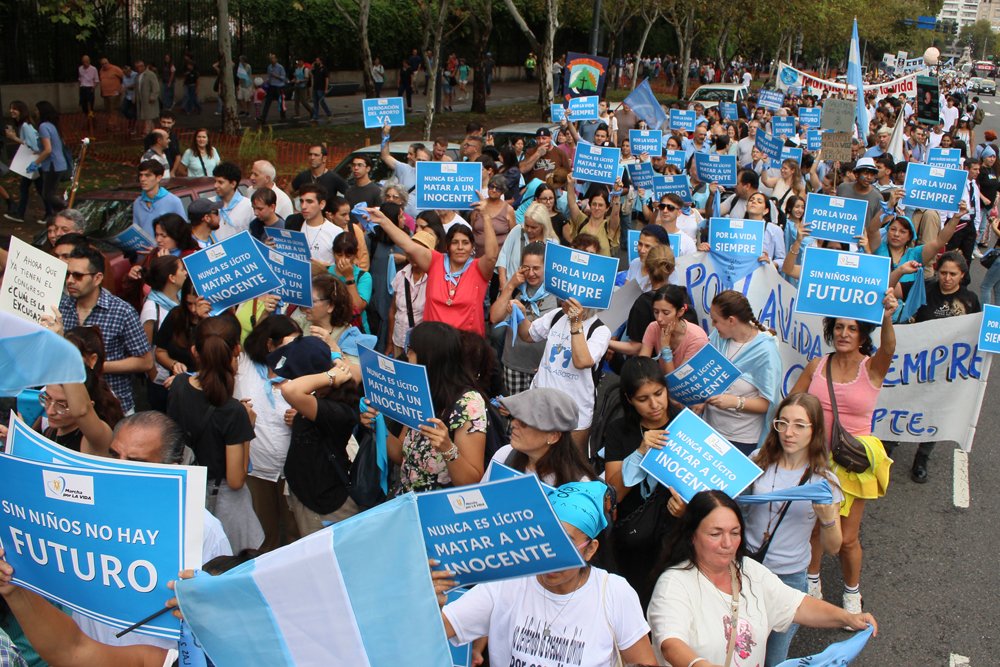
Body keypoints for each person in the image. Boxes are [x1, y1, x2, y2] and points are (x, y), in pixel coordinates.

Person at [435, 481, 657, 666]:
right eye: (546, 539)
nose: (552, 555)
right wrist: (431, 604)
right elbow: (437, 630)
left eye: (566, 544)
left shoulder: (614, 593)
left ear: (590, 549)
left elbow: (644, 663)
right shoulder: (509, 582)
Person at [647, 490, 877, 667]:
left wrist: (848, 617)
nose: (727, 544)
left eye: (734, 533)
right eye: (715, 534)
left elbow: (797, 606)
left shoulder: (750, 571)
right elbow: (670, 644)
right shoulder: (674, 584)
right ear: (692, 536)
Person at [790, 292, 898, 616]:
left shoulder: (872, 369)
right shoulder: (817, 365)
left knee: (847, 538)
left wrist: (889, 316)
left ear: (863, 334)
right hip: (816, 459)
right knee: (814, 528)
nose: (844, 334)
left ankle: (852, 591)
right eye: (838, 328)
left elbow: (889, 348)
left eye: (851, 329)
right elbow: (793, 401)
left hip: (852, 463)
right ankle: (812, 580)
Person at [742, 393, 845, 666]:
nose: (789, 433)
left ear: (815, 431)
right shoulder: (758, 460)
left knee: (774, 657)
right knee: (741, 647)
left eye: (800, 425)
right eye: (782, 423)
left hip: (788, 577)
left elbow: (834, 547)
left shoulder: (825, 482)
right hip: (747, 570)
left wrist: (827, 519)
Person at [168, 315, 263, 552]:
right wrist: (247, 428)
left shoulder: (178, 385)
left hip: (183, 493)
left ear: (194, 351)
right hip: (220, 499)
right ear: (237, 352)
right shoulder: (233, 412)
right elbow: (236, 479)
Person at [360, 321, 487, 494]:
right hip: (409, 502)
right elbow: (402, 456)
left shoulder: (468, 404)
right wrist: (378, 426)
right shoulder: (420, 391)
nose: (407, 356)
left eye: (411, 351)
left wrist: (447, 448)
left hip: (442, 510)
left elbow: (472, 482)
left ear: (430, 358)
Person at [901, 252, 980, 482]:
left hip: (946, 371)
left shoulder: (970, 300)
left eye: (952, 274)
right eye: (943, 273)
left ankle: (922, 457)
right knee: (904, 405)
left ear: (962, 275)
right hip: (916, 365)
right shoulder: (924, 289)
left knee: (934, 413)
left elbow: (975, 334)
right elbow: (894, 293)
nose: (946, 278)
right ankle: (889, 445)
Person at [368, 201, 498, 336]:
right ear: (447, 246)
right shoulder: (436, 261)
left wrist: (486, 217)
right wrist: (383, 221)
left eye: (465, 243)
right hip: (433, 344)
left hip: (466, 346)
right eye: (454, 242)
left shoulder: (478, 268)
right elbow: (408, 245)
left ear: (472, 248)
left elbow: (491, 256)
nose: (460, 247)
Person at [605, 358, 676, 601]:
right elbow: (612, 494)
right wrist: (639, 454)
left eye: (659, 393)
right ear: (629, 399)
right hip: (633, 538)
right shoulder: (618, 431)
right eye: (643, 399)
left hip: (676, 537)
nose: (655, 405)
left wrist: (687, 506)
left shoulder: (685, 423)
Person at [58, 245, 153, 415]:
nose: (70, 280)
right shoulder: (61, 307)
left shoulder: (122, 311)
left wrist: (98, 366)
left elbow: (145, 361)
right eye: (67, 274)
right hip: (69, 404)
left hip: (113, 406)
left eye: (78, 275)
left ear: (97, 278)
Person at [236, 315, 302, 551]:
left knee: (296, 533)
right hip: (257, 468)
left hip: (292, 470)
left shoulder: (302, 370)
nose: (296, 349)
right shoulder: (243, 365)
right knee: (264, 537)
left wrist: (301, 416)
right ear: (270, 344)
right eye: (289, 343)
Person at [516, 294, 611, 454]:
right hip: (540, 403)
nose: (564, 302)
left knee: (569, 462)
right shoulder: (557, 314)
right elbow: (528, 334)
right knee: (532, 455)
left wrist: (575, 323)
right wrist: (520, 315)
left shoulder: (600, 331)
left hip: (574, 412)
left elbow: (582, 361)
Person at [700, 290, 782, 455]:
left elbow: (768, 403)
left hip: (741, 439)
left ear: (731, 320)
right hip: (709, 427)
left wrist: (734, 402)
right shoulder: (718, 336)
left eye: (715, 321)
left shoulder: (766, 351)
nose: (713, 326)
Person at [490, 242, 559, 393]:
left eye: (536, 268)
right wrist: (510, 285)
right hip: (514, 364)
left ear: (546, 267)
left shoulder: (557, 293)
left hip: (542, 367)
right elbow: (495, 317)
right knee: (514, 414)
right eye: (527, 268)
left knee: (539, 414)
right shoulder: (516, 289)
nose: (531, 273)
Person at [139, 254, 187, 410]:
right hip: (163, 383)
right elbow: (145, 349)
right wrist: (156, 377)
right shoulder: (152, 309)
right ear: (172, 278)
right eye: (182, 269)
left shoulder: (183, 300)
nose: (186, 273)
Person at [386, 229, 436, 357]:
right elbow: (393, 310)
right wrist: (390, 343)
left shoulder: (435, 279)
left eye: (418, 252)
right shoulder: (400, 275)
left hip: (421, 346)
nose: (414, 255)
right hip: (398, 341)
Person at [638, 284, 708, 375]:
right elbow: (642, 364)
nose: (659, 318)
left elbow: (677, 381)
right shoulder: (653, 327)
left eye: (665, 313)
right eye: (656, 312)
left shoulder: (697, 339)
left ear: (680, 312)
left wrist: (665, 348)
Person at [496, 202, 558, 286]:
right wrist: (503, 284)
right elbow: (503, 255)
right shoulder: (517, 230)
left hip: (536, 293)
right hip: (512, 286)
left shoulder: (552, 243)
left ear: (543, 226)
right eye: (527, 225)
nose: (529, 230)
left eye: (533, 227)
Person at [27, 101, 68, 218]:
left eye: (36, 110)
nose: (35, 112)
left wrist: (35, 163)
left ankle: (65, 208)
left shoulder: (43, 126)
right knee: (50, 193)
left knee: (47, 194)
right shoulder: (52, 125)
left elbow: (48, 149)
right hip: (59, 164)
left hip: (52, 165)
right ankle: (58, 215)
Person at [565, 176, 623, 257]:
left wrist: (617, 194)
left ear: (607, 208)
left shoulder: (608, 226)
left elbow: (616, 214)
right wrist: (570, 184)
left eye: (600, 205)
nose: (596, 208)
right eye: (594, 204)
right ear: (590, 205)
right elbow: (572, 204)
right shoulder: (581, 220)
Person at [3, 100, 42, 223]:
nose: (11, 111)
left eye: (14, 109)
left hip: (34, 163)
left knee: (33, 189)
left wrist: (14, 138)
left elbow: (34, 146)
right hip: (34, 163)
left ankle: (52, 212)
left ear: (21, 111)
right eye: (10, 108)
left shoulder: (26, 126)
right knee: (33, 189)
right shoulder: (25, 125)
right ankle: (21, 214)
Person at [131, 160, 186, 239]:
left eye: (147, 175)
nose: (142, 179)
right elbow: (136, 231)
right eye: (141, 175)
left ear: (159, 178)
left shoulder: (173, 201)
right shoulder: (137, 203)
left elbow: (183, 231)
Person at [213, 162, 254, 240]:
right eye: (215, 181)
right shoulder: (210, 204)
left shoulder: (248, 206)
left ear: (233, 184)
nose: (215, 186)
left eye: (220, 182)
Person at [259, 53, 287, 123]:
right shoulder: (269, 67)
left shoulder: (280, 67)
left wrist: (276, 76)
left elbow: (283, 78)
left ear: (276, 59)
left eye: (273, 58)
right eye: (270, 58)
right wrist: (266, 82)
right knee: (267, 102)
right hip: (271, 86)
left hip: (279, 87)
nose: (272, 60)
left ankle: (283, 117)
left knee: (281, 102)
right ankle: (263, 117)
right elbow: (269, 76)